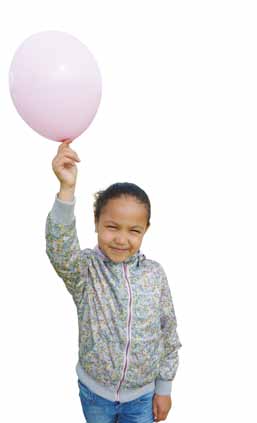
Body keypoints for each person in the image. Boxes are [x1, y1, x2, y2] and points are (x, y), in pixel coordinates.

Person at [45, 139, 182, 422]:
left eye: (134, 230)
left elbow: (168, 333)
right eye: (111, 227)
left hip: (143, 397)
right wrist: (67, 190)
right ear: (96, 223)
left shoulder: (155, 274)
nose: (121, 238)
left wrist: (164, 388)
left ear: (146, 230)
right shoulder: (85, 271)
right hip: (96, 395)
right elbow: (60, 248)